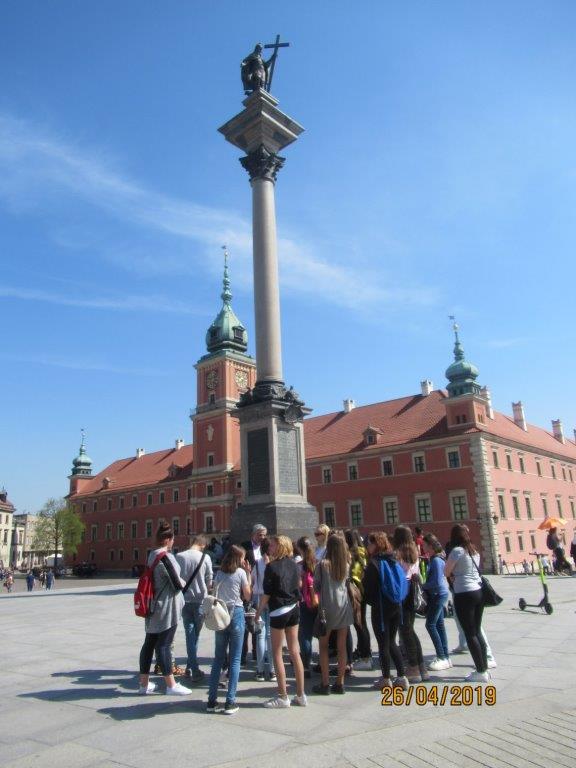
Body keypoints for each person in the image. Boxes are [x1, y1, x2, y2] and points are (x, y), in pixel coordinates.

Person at [138, 523, 191, 696]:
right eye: (172, 539)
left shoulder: (151, 556)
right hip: (167, 608)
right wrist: (185, 582)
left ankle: (143, 684)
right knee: (164, 645)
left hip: (153, 606)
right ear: (167, 540)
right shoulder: (165, 557)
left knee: (149, 644)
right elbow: (177, 583)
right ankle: (171, 685)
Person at [255, 536, 306, 707]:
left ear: (280, 547)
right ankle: (300, 695)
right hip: (294, 608)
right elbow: (298, 584)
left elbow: (267, 593)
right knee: (294, 652)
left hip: (278, 610)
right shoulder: (294, 564)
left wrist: (258, 612)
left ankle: (283, 696)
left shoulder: (271, 567)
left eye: (273, 545)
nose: (270, 547)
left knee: (276, 653)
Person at [207, 545, 252, 714]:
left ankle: (211, 701)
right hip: (237, 615)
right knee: (234, 660)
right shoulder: (240, 573)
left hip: (221, 616)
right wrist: (248, 573)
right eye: (242, 558)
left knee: (218, 659)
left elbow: (214, 592)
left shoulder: (219, 573)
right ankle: (230, 702)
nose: (244, 561)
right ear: (238, 559)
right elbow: (247, 596)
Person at [363, 531, 409, 691]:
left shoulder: (374, 563)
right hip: (396, 605)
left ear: (376, 544)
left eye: (369, 543)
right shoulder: (393, 560)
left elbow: (367, 589)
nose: (367, 546)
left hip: (381, 608)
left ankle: (386, 678)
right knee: (392, 641)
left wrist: (371, 601)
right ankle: (402, 677)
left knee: (383, 643)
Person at [444, 524, 489, 682]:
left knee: (470, 634)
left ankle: (480, 671)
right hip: (478, 592)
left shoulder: (457, 551)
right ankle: (485, 667)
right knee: (476, 631)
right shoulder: (474, 550)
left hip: (464, 593)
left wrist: (454, 576)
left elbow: (446, 571)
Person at [312, 531, 354, 695]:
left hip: (326, 608)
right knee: (341, 647)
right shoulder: (346, 564)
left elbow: (316, 586)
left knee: (323, 646)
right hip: (343, 607)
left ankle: (325, 683)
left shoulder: (322, 565)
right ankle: (340, 683)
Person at [176, 534, 213, 683]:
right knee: (194, 635)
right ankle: (194, 669)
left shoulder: (179, 556)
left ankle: (190, 668)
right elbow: (209, 580)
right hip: (200, 601)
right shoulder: (205, 558)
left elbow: (176, 577)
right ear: (203, 545)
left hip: (184, 600)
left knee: (190, 634)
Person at [392, 525, 425, 682]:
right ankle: (421, 666)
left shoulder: (398, 554)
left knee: (405, 631)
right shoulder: (414, 552)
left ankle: (413, 668)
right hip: (413, 590)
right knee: (410, 630)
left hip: (403, 592)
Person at [422, 534, 451, 672]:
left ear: (431, 546)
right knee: (439, 625)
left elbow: (436, 582)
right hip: (439, 594)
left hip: (438, 594)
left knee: (430, 624)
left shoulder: (436, 561)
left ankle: (441, 656)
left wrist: (423, 585)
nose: (423, 546)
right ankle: (445, 657)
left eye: (424, 544)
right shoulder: (436, 559)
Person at [344, 529, 372, 670]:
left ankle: (366, 657)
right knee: (362, 624)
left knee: (359, 625)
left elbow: (353, 575)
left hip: (355, 592)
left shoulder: (353, 554)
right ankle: (363, 652)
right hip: (363, 591)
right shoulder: (364, 552)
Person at [241, 524, 268, 666]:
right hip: (248, 589)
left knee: (259, 624)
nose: (262, 537)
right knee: (246, 622)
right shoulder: (245, 547)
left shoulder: (267, 548)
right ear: (253, 535)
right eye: (260, 535)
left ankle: (258, 653)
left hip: (263, 591)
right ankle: (243, 655)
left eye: (264, 535)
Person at [252, 538, 276, 682]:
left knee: (260, 636)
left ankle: (260, 671)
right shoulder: (275, 564)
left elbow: (252, 582)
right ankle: (272, 671)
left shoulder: (257, 564)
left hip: (260, 599)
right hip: (273, 601)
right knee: (271, 636)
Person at [296, 536, 318, 678]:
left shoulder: (299, 565)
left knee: (305, 635)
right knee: (322, 634)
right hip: (318, 602)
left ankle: (306, 665)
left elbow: (298, 585)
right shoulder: (319, 563)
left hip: (305, 602)